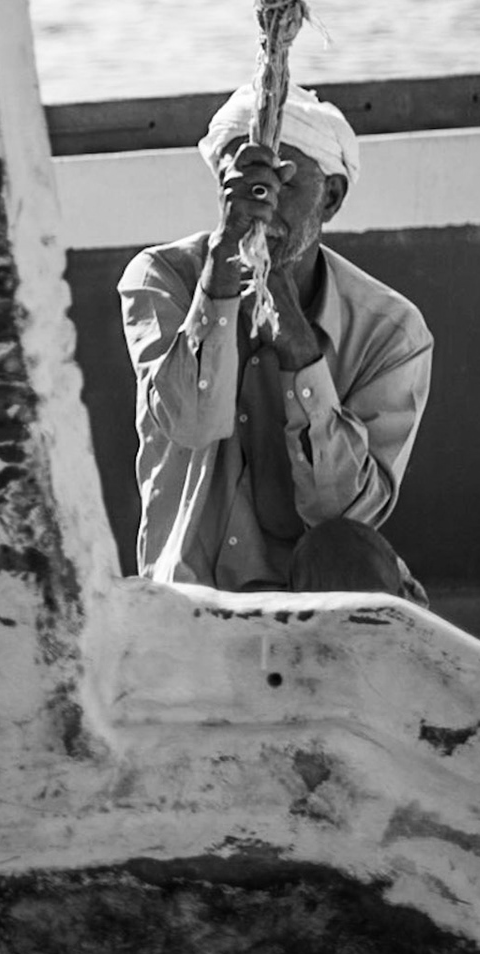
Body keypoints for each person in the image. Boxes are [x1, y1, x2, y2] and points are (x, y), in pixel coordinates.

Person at [117, 84, 433, 601]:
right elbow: (190, 423)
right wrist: (219, 281)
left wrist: (298, 348)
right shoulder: (162, 279)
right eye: (244, 187)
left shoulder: (391, 333)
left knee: (345, 554)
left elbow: (347, 516)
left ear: (330, 197)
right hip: (191, 598)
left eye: (282, 183)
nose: (261, 208)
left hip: (316, 600)